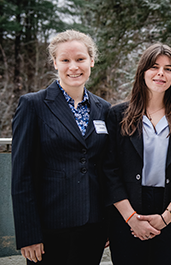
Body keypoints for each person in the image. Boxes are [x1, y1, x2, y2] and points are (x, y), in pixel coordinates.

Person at [11, 29, 110, 264]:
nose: (73, 67)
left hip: (93, 227)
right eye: (65, 60)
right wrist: (28, 235)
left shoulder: (103, 109)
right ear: (55, 63)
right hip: (49, 230)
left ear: (91, 61)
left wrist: (109, 224)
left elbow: (106, 169)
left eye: (80, 59)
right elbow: (21, 175)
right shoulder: (33, 105)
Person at [103, 43, 171, 265]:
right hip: (127, 208)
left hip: (169, 209)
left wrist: (167, 217)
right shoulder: (118, 115)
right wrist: (131, 218)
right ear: (142, 71)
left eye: (168, 68)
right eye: (154, 67)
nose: (161, 74)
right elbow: (109, 169)